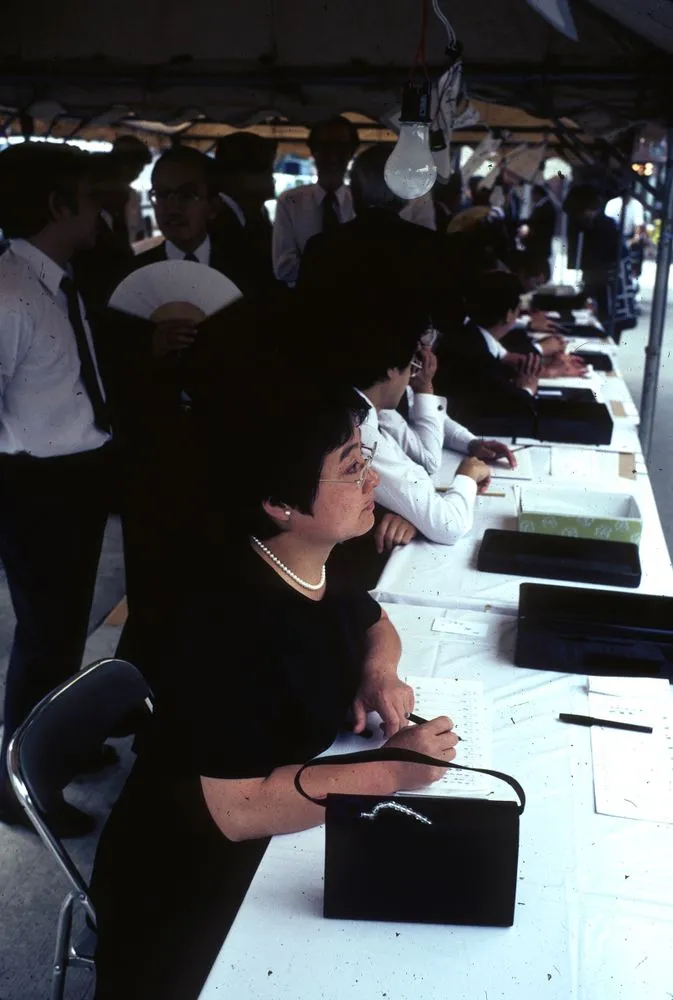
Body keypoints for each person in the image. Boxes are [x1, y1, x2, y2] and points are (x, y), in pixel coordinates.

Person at [90, 369, 459, 1000]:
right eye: (350, 468)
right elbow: (238, 809)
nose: (372, 479)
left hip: (277, 828)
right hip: (192, 877)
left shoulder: (310, 558)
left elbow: (377, 622)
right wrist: (391, 770)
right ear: (279, 503)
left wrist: (379, 674)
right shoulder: (218, 617)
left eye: (363, 457)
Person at [0, 143, 114, 836]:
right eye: (90, 195)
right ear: (57, 205)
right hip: (35, 486)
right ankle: (23, 788)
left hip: (78, 476)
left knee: (67, 633)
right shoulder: (9, 291)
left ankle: (59, 746)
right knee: (45, 639)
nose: (101, 208)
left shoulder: (59, 279)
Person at [298, 144, 475, 335]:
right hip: (407, 359)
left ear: (355, 192)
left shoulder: (321, 246)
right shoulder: (434, 247)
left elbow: (307, 320)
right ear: (406, 195)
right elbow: (450, 319)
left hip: (338, 359)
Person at [435, 270, 541, 428]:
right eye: (517, 309)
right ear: (508, 315)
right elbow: (517, 405)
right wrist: (527, 388)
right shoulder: (477, 356)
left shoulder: (467, 334)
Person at [272, 115, 360, 284]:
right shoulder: (290, 201)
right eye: (326, 146)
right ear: (313, 150)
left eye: (341, 147)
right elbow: (284, 268)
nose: (333, 155)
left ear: (351, 152)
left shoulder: (360, 201)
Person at [563, 183, 636, 339]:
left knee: (606, 337)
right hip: (606, 295)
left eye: (577, 214)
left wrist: (581, 296)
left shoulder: (603, 227)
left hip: (612, 298)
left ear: (586, 210)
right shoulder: (596, 225)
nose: (576, 220)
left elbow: (597, 269)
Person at [110, 134, 152, 242]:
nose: (137, 173)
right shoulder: (92, 195)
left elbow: (139, 234)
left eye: (140, 167)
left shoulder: (133, 196)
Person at [521, 184, 556, 265]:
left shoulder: (546, 207)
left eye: (532, 194)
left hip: (539, 248)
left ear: (537, 194)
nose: (532, 197)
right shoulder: (542, 206)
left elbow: (539, 226)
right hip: (537, 247)